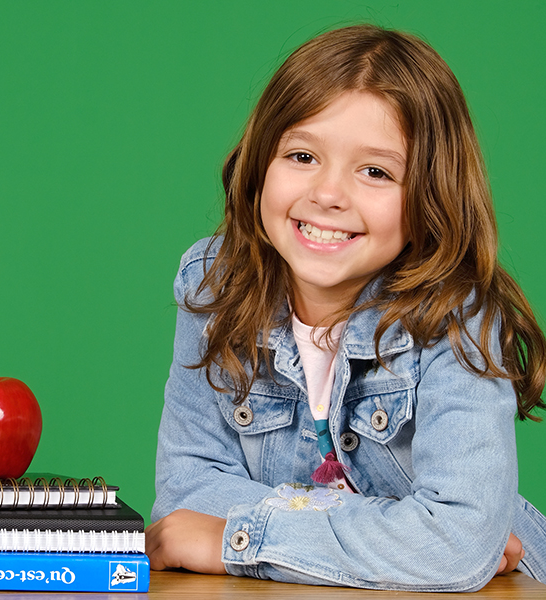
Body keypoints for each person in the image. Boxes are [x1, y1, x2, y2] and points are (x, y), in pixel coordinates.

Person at [145, 24, 546, 591]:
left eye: (376, 171)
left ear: (431, 195)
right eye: (303, 155)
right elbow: (188, 495)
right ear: (261, 165)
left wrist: (234, 539)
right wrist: (409, 535)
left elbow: (457, 542)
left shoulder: (457, 316)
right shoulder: (214, 286)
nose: (329, 193)